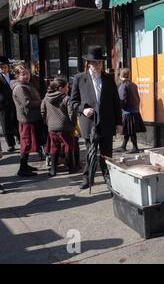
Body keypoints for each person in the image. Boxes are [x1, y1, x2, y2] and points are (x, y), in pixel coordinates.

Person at [70, 46, 122, 190]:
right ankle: (87, 178)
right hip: (89, 122)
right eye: (95, 63)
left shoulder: (108, 78)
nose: (98, 65)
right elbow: (73, 101)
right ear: (88, 63)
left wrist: (119, 123)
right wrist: (83, 109)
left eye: (100, 62)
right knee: (90, 152)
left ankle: (108, 177)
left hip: (107, 122)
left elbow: (116, 102)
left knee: (106, 153)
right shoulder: (80, 78)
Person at [11, 65, 43, 177]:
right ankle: (22, 168)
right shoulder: (19, 87)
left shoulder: (26, 84)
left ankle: (25, 166)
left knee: (28, 143)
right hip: (26, 119)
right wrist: (42, 103)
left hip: (32, 118)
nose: (26, 76)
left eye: (27, 74)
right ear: (17, 76)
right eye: (23, 74)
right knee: (26, 144)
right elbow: (27, 103)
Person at [41, 77, 77, 177]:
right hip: (65, 127)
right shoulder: (66, 98)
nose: (68, 89)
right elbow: (72, 113)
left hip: (51, 127)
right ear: (61, 88)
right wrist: (73, 124)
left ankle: (53, 170)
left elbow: (42, 111)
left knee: (54, 148)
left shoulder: (46, 97)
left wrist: (47, 122)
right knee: (68, 147)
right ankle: (71, 168)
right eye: (67, 87)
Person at [117, 68, 146, 153]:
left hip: (127, 111)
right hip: (135, 110)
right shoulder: (133, 84)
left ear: (121, 76)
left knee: (131, 130)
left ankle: (135, 148)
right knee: (129, 130)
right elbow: (138, 98)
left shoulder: (123, 86)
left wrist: (119, 108)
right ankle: (123, 146)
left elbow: (122, 99)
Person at [0, 56, 19, 153]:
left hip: (15, 103)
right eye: (1, 67)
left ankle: (19, 139)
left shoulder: (13, 76)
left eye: (4, 67)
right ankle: (11, 144)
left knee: (16, 122)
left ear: (8, 66)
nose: (3, 69)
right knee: (6, 124)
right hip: (3, 105)